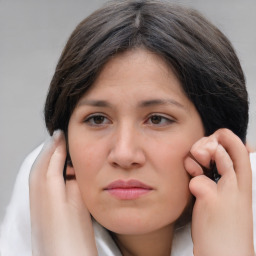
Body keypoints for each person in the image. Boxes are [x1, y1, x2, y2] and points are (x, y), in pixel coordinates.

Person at [1, 0, 255, 255]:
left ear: (216, 138)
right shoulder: (44, 189)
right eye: (97, 119)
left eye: (157, 119)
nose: (124, 154)